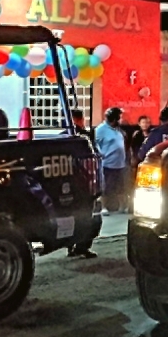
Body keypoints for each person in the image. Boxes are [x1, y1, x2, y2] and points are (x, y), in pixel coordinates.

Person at [67, 109, 102, 259]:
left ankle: (71, 246)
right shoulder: (83, 138)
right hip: (86, 186)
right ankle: (82, 246)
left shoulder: (64, 135)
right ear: (79, 119)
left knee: (74, 216)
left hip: (70, 185)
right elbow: (93, 159)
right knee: (90, 218)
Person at [94, 107, 128, 216]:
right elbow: (95, 145)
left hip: (120, 164)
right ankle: (104, 208)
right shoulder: (100, 129)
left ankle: (123, 207)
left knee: (121, 187)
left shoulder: (118, 130)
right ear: (114, 119)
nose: (121, 120)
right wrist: (100, 154)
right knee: (106, 188)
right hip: (107, 164)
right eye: (119, 118)